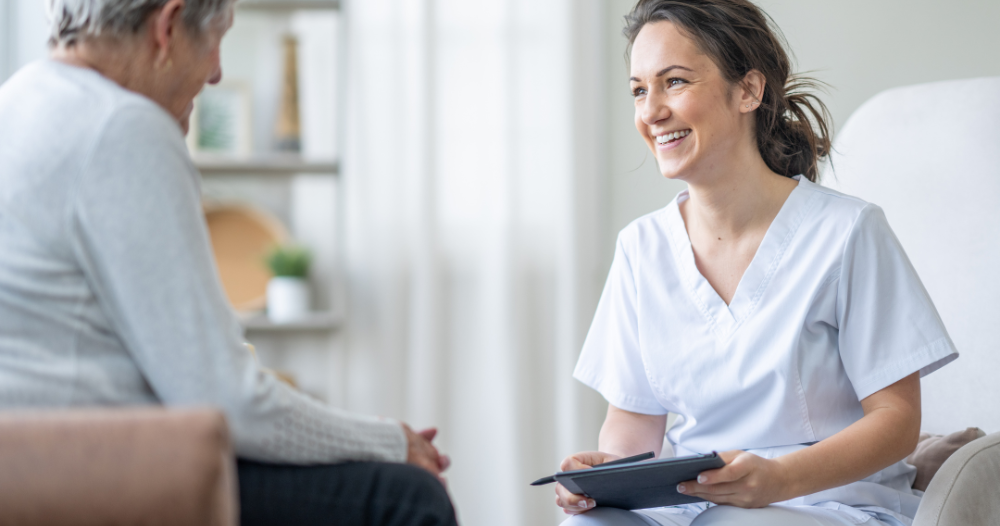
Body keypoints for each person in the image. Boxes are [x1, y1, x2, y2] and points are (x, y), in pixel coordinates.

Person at [0, 1, 456, 524]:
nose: (217, 72)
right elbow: (228, 402)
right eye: (216, 40)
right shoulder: (122, 127)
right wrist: (388, 441)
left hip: (29, 464)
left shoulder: (19, 99)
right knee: (409, 498)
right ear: (167, 26)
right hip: (92, 473)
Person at [554, 1, 958, 525]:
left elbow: (897, 420)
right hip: (688, 503)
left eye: (673, 82)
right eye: (638, 89)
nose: (650, 111)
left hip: (821, 500)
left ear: (748, 90)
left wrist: (781, 477)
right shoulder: (641, 248)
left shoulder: (846, 232)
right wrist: (607, 475)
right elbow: (634, 425)